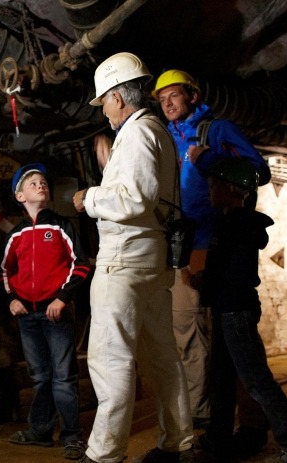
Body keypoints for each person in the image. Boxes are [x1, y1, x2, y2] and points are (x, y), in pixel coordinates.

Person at [72, 52, 194, 463]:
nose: (104, 110)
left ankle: (104, 453)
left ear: (118, 97)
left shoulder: (139, 132)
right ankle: (177, 442)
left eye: (104, 100)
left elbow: (135, 198)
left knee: (111, 360)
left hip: (125, 262)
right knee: (162, 356)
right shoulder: (155, 132)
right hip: (149, 263)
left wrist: (88, 197)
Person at [153, 69, 272, 454]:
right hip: (183, 247)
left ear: (192, 95)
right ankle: (210, 421)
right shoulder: (166, 137)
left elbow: (259, 172)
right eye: (162, 98)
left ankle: (253, 426)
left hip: (217, 244)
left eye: (173, 95)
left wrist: (211, 160)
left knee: (233, 339)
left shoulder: (216, 131)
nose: (168, 103)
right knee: (189, 336)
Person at [191, 158, 287, 463]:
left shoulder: (236, 227)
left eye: (214, 186)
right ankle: (218, 439)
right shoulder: (233, 224)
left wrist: (203, 281)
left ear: (231, 189)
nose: (209, 191)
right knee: (221, 379)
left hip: (235, 311)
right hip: (227, 310)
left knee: (257, 380)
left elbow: (230, 274)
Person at [2, 163, 91, 461]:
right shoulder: (15, 235)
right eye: (32, 183)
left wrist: (62, 298)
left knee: (64, 377)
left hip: (57, 314)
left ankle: (72, 436)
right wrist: (12, 298)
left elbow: (81, 264)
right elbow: (5, 270)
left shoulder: (62, 227)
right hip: (28, 316)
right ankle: (40, 431)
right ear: (20, 196)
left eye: (43, 182)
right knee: (40, 376)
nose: (40, 185)